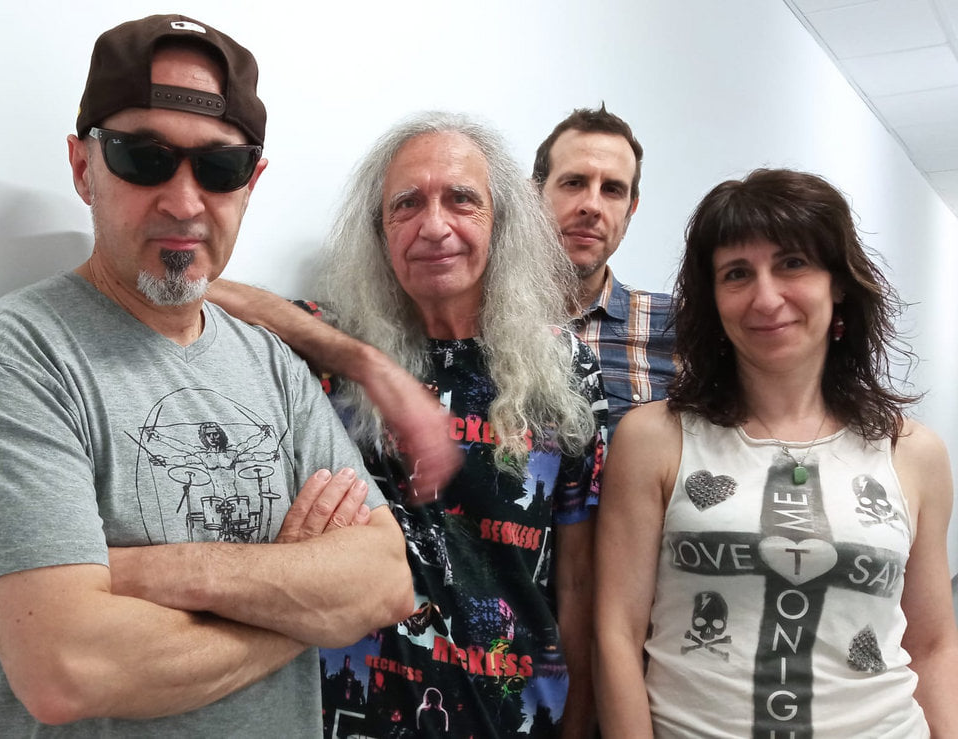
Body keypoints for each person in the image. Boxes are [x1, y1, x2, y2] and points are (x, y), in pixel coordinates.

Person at [0, 14, 427, 735]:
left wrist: (146, 572)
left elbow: (384, 580)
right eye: (145, 157)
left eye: (220, 167)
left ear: (252, 182)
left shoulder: (272, 363)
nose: (185, 201)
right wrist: (307, 608)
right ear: (83, 168)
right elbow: (69, 668)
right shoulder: (15, 355)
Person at [211, 111, 607, 737]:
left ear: (501, 223)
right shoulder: (324, 348)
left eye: (462, 200)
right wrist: (364, 362)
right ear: (380, 232)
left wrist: (582, 723)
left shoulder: (565, 367)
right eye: (407, 204)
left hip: (517, 716)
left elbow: (580, 581)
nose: (435, 226)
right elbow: (194, 289)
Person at [595, 168, 958, 737]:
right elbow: (616, 634)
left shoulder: (912, 453)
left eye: (792, 263)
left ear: (838, 283)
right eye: (737, 273)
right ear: (713, 299)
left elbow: (933, 644)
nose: (766, 298)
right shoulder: (654, 440)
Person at [533, 105, 676, 439]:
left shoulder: (676, 329)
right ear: (533, 195)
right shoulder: (476, 317)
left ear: (630, 212)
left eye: (612, 189)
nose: (592, 206)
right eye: (574, 183)